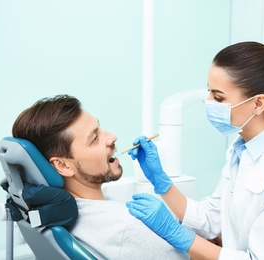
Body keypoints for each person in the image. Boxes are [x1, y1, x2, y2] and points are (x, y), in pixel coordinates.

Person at [126, 41, 264, 259]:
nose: (208, 103)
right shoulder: (241, 150)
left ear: (258, 103)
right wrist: (161, 181)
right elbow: (210, 219)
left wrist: (175, 233)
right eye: (209, 92)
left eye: (218, 97)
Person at [12, 95, 189, 260]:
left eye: (100, 128)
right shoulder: (125, 228)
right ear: (63, 165)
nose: (112, 137)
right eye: (94, 138)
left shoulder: (53, 214)